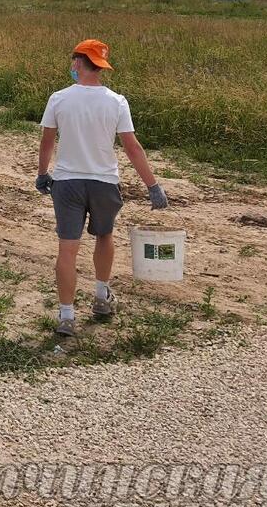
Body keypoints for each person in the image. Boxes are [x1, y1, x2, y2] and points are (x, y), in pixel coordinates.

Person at [36, 39, 168, 338]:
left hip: (67, 182)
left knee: (67, 248)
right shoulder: (116, 101)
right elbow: (132, 147)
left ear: (77, 62)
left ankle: (67, 315)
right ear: (100, 66)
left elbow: (47, 141)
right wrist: (153, 185)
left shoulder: (59, 98)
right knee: (104, 236)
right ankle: (101, 296)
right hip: (104, 182)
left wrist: (43, 173)